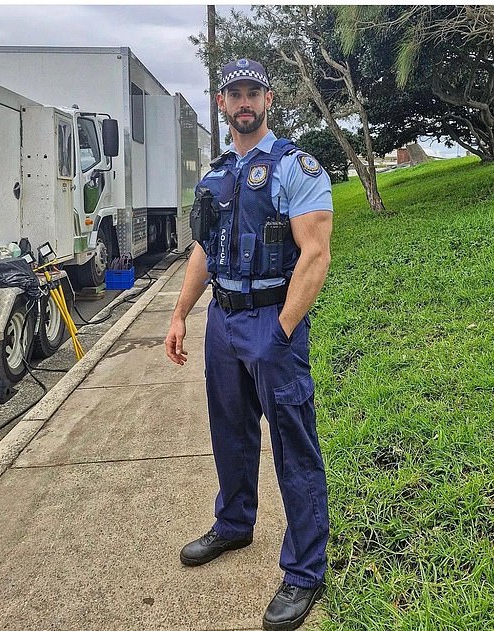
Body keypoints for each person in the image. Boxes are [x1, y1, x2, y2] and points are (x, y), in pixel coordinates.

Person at [164, 58, 333, 631]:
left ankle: (306, 570)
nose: (243, 102)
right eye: (233, 93)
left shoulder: (295, 166)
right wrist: (181, 313)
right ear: (220, 102)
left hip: (271, 322)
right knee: (230, 435)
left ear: (268, 99)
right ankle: (234, 525)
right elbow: (204, 252)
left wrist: (282, 329)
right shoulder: (213, 176)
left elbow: (315, 255)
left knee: (292, 446)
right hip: (223, 323)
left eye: (252, 93)